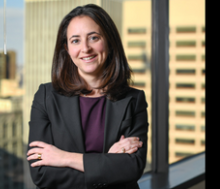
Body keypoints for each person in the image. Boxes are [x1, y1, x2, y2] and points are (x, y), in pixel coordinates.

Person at [26, 4, 149, 189]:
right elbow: (42, 173)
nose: (85, 48)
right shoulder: (46, 96)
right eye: (75, 40)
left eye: (93, 38)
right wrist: (107, 164)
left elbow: (132, 168)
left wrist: (64, 158)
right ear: (67, 49)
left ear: (108, 41)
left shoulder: (133, 99)